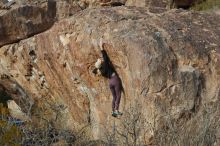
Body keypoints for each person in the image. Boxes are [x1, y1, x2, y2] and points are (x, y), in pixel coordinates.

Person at [94, 39, 123, 117]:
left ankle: (113, 111)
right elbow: (105, 56)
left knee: (114, 97)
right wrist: (101, 47)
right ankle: (116, 110)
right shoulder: (105, 65)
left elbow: (97, 68)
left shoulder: (101, 71)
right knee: (118, 95)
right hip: (115, 79)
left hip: (110, 82)